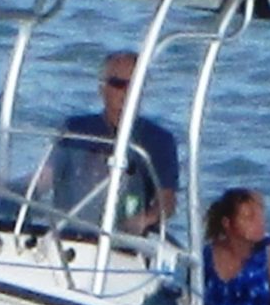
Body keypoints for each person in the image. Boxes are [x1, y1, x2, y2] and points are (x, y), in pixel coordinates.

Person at [53, 50, 179, 233]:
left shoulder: (159, 140)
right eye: (118, 84)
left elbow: (167, 200)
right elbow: (44, 178)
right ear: (102, 88)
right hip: (70, 232)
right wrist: (6, 188)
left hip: (124, 238)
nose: (127, 93)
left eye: (134, 86)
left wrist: (146, 218)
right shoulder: (75, 128)